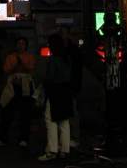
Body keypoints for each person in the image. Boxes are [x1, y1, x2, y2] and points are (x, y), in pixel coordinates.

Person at [0, 36, 35, 148]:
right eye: (19, 43)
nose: (21, 45)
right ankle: (2, 137)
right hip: (12, 86)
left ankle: (23, 138)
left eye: (23, 43)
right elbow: (6, 69)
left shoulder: (29, 56)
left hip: (25, 86)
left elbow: (31, 69)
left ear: (26, 46)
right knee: (7, 112)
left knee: (25, 114)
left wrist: (22, 67)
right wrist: (16, 68)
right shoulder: (10, 57)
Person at [38, 34, 74, 162]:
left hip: (54, 93)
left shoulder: (53, 60)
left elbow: (50, 78)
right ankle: (65, 150)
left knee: (50, 120)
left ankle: (52, 150)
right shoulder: (67, 58)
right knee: (64, 121)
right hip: (66, 92)